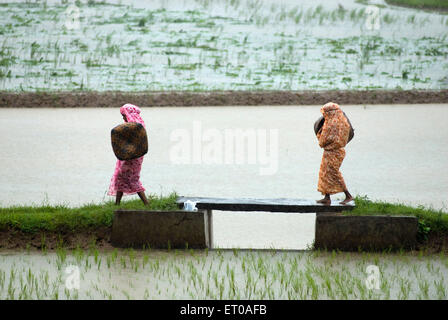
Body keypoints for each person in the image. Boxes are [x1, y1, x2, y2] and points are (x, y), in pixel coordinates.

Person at [108, 104, 149, 206]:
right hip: (130, 156)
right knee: (120, 178)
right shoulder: (138, 124)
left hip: (132, 157)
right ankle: (117, 204)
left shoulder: (135, 126)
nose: (123, 117)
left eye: (124, 115)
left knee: (132, 179)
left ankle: (146, 204)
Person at [316, 102, 353, 205]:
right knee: (326, 174)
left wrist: (319, 134)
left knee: (333, 173)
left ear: (329, 112)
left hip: (331, 152)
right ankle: (327, 197)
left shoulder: (330, 124)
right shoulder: (344, 122)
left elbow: (322, 141)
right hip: (340, 151)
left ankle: (348, 195)